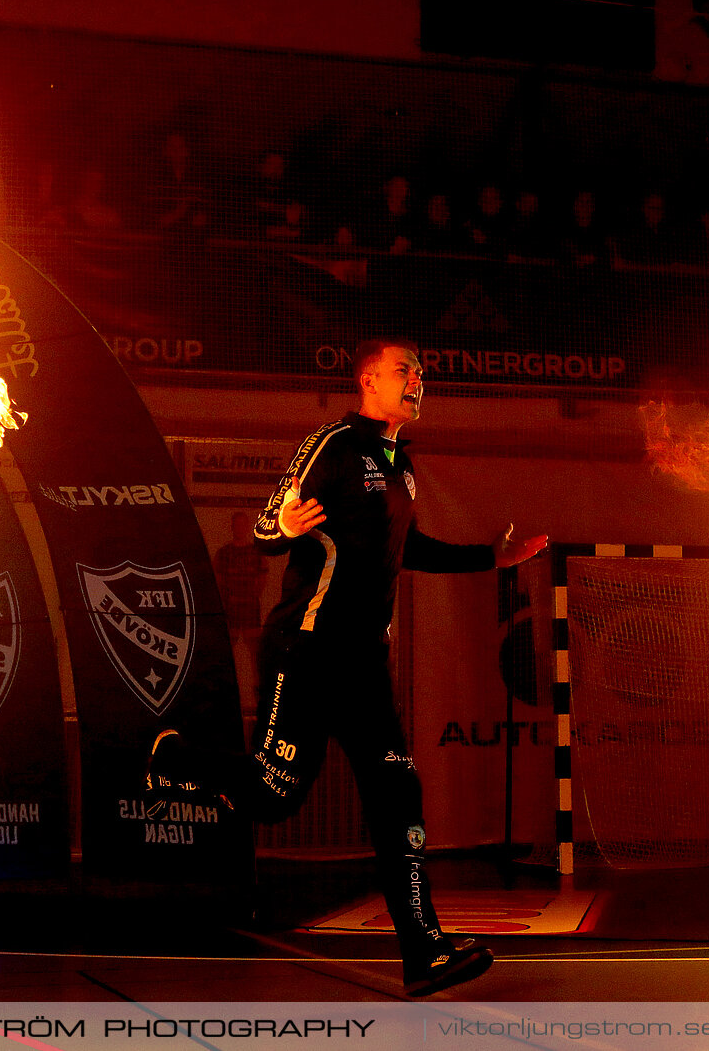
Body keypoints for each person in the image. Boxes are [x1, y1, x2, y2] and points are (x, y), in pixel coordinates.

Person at [148, 338, 547, 995]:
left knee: (399, 795)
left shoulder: (402, 468)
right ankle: (175, 761)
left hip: (365, 663)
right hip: (308, 649)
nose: (417, 379)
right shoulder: (333, 444)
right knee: (275, 796)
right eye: (403, 370)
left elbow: (407, 546)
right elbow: (268, 526)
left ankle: (426, 953)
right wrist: (283, 528)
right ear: (367, 381)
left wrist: (491, 561)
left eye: (421, 372)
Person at [212, 511, 270, 717]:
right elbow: (218, 580)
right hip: (231, 612)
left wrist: (251, 595)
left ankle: (260, 703)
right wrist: (229, 599)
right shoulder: (224, 553)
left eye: (243, 525)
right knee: (227, 658)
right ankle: (224, 699)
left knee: (256, 659)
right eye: (236, 524)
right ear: (232, 527)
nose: (240, 528)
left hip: (250, 611)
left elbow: (263, 578)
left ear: (246, 527)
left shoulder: (256, 553)